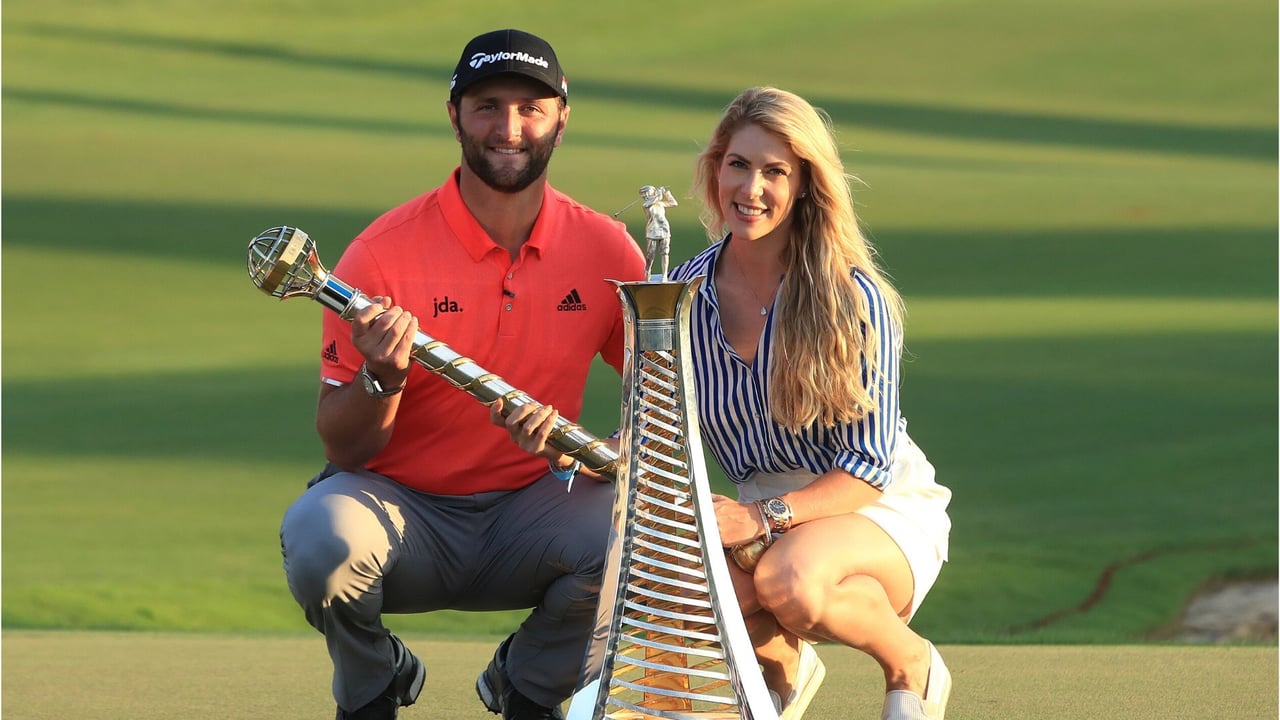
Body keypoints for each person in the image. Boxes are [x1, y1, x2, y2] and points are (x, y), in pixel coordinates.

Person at [279, 28, 647, 720]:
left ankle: (528, 687)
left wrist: (617, 451)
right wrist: (381, 380)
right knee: (319, 541)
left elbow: (663, 400)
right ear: (454, 115)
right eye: (486, 106)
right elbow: (343, 447)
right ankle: (373, 684)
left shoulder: (606, 248)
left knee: (637, 536)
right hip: (400, 510)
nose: (508, 128)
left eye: (530, 108)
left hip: (534, 507)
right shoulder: (381, 253)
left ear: (562, 118)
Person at [667, 87, 954, 720]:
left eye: (775, 172)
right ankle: (784, 665)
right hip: (762, 514)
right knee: (687, 586)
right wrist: (579, 447)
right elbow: (667, 419)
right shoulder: (684, 290)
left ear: (804, 186)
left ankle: (911, 665)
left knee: (788, 580)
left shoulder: (853, 297)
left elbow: (869, 465)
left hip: (873, 504)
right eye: (739, 164)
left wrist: (762, 519)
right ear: (716, 167)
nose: (752, 187)